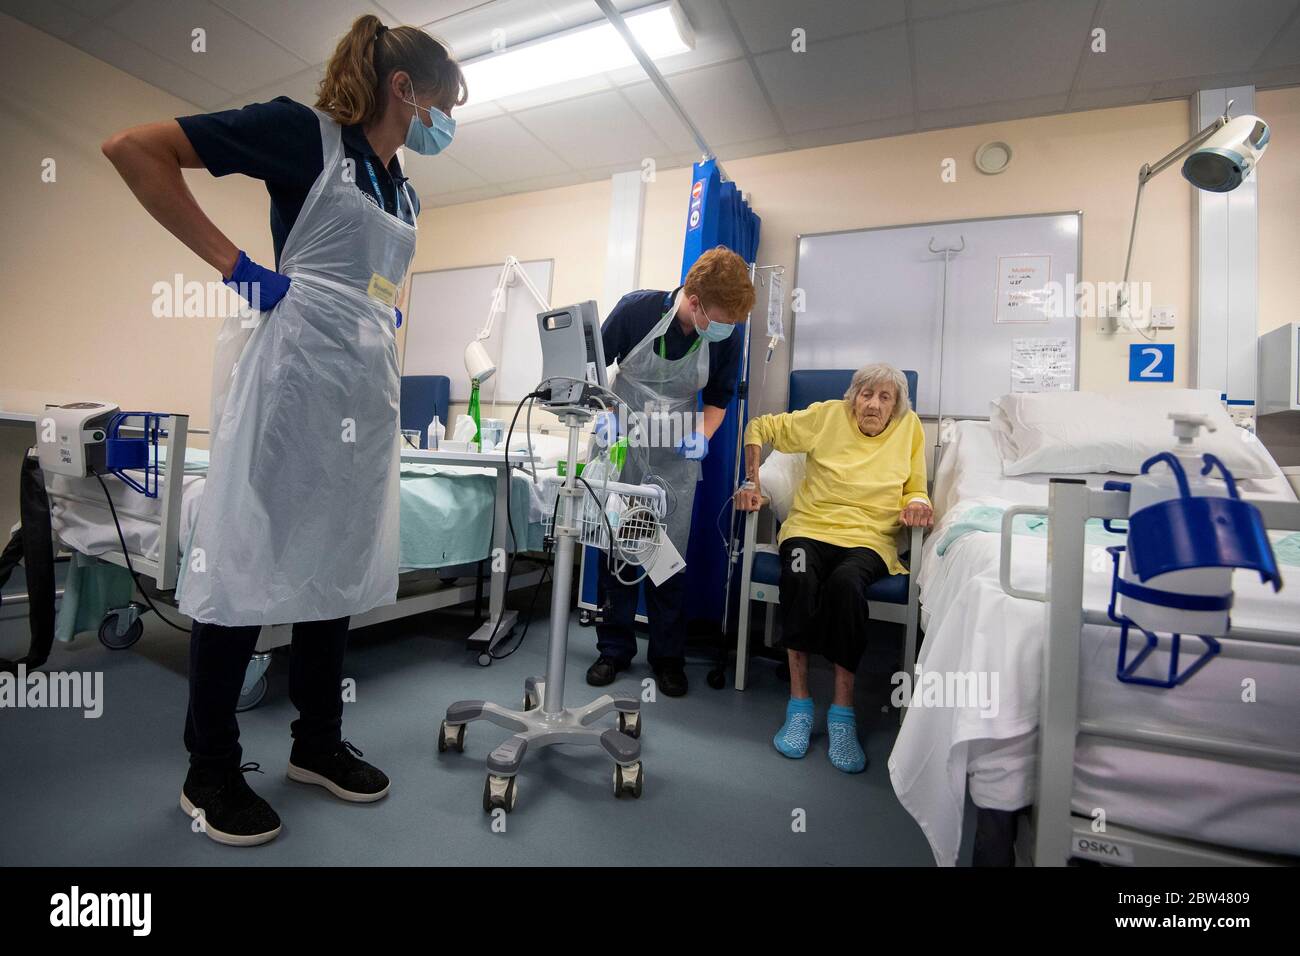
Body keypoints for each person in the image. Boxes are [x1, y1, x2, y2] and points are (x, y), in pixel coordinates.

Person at [101, 15, 466, 846]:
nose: (449, 123)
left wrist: (383, 307)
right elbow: (133, 149)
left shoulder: (403, 186)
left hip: (363, 396)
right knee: (245, 565)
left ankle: (316, 743)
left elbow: (371, 274)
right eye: (447, 103)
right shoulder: (303, 135)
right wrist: (238, 269)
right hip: (293, 383)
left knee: (333, 565)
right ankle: (210, 770)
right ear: (404, 90)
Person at [738, 363, 933, 773]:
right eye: (866, 394)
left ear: (896, 406)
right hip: (810, 528)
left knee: (846, 587)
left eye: (884, 397)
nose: (873, 404)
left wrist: (919, 504)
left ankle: (842, 713)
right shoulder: (827, 415)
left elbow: (916, 487)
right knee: (799, 575)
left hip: (869, 538)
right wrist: (753, 484)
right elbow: (758, 427)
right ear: (853, 397)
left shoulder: (910, 428)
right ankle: (800, 704)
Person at [586, 247, 756, 698]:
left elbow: (718, 398)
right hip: (622, 434)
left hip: (677, 445)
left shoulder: (726, 334)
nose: (726, 329)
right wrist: (602, 412)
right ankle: (613, 650)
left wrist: (705, 432)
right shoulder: (636, 309)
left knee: (667, 554)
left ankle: (666, 658)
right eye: (720, 318)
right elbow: (592, 366)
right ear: (695, 300)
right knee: (618, 547)